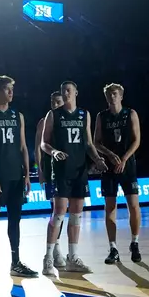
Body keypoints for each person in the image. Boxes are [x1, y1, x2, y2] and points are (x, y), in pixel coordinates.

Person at [40, 81, 108, 276]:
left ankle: (73, 257)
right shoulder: (53, 114)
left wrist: (97, 159)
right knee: (59, 213)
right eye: (63, 91)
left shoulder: (84, 114)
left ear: (76, 92)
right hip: (61, 170)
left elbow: (88, 142)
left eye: (69, 90)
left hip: (79, 170)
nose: (66, 93)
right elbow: (44, 143)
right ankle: (48, 257)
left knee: (77, 215)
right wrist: (53, 152)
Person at [0, 76, 38, 280]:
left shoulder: (17, 115)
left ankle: (16, 262)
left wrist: (28, 175)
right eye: (7, 89)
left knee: (15, 220)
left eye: (12, 89)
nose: (11, 93)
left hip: (16, 176)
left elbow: (23, 146)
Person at [94, 83, 142, 264]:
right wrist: (109, 154)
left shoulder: (130, 113)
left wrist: (124, 158)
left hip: (127, 165)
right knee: (110, 207)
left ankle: (135, 243)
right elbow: (96, 142)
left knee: (133, 205)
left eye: (114, 94)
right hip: (109, 166)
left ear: (121, 96)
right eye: (108, 94)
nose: (111, 97)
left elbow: (137, 140)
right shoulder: (101, 116)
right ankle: (113, 247)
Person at [35, 91, 67, 268]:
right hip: (50, 170)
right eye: (53, 101)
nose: (55, 104)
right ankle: (54, 249)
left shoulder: (67, 121)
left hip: (65, 170)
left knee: (61, 211)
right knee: (55, 209)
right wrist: (39, 170)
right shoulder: (44, 122)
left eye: (58, 102)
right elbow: (37, 148)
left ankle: (56, 247)